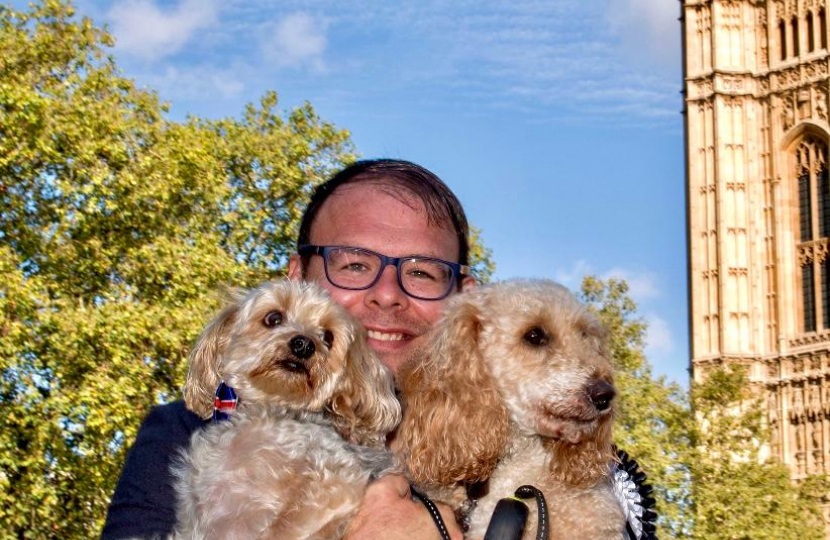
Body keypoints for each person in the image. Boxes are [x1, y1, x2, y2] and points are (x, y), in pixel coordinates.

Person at [101, 159, 476, 540]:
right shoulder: (180, 436)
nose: (387, 295)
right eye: (355, 264)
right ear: (296, 276)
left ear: (464, 296)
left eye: (422, 272)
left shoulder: (516, 452)